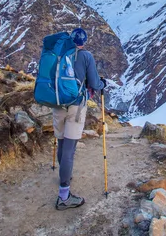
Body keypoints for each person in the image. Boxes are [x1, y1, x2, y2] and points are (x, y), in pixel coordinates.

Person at [53, 27, 106, 210]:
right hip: (75, 106)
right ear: (84, 41)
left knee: (61, 143)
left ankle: (64, 176)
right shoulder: (85, 56)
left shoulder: (58, 54)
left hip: (57, 104)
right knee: (69, 149)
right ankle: (64, 196)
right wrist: (102, 84)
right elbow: (94, 82)